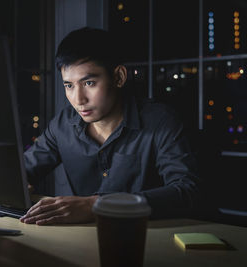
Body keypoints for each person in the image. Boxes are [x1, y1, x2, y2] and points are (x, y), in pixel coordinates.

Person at [20, 27, 200, 225]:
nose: (78, 99)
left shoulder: (161, 121)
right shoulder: (63, 124)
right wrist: (16, 185)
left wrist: (96, 205)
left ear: (119, 77)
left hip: (150, 240)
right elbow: (22, 172)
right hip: (82, 240)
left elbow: (186, 191)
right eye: (69, 86)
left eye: (89, 83)